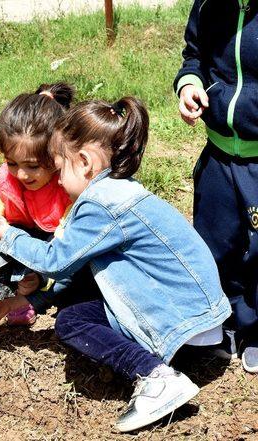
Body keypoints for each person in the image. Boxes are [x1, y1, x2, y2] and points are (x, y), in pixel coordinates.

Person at [0, 97, 231, 432]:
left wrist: (7, 235)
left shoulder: (100, 204)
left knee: (72, 323)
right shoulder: (118, 192)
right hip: (199, 321)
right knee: (83, 299)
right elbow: (74, 270)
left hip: (181, 320)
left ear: (83, 162)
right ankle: (189, 355)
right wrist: (22, 302)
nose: (59, 180)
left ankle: (157, 378)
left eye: (60, 167)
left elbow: (55, 262)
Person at [174, 0, 258, 373]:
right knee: (214, 243)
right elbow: (194, 56)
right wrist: (189, 84)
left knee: (257, 251)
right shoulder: (209, 5)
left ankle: (255, 331)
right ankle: (224, 321)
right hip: (218, 155)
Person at [0, 83, 73, 326]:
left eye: (32, 166)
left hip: (53, 242)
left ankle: (28, 297)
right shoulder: (8, 180)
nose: (21, 174)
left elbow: (63, 247)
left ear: (57, 156)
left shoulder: (66, 187)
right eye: (12, 163)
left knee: (56, 274)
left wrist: (40, 277)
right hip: (18, 232)